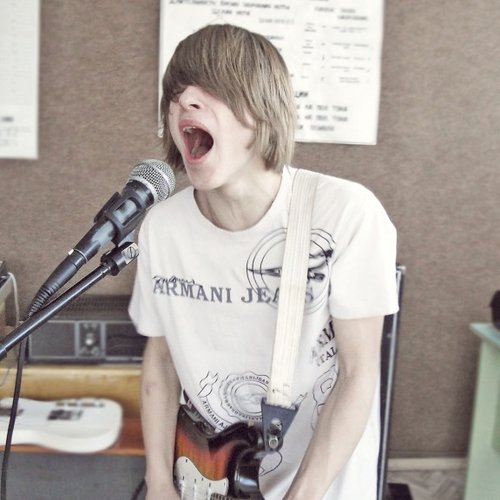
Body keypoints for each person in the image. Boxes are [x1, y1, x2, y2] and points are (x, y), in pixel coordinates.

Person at [129, 23, 399, 500]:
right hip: (205, 475)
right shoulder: (162, 228)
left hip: (321, 485)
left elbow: (358, 375)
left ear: (262, 109)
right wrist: (158, 482)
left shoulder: (345, 214)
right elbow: (161, 362)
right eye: (176, 92)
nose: (184, 101)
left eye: (211, 87)